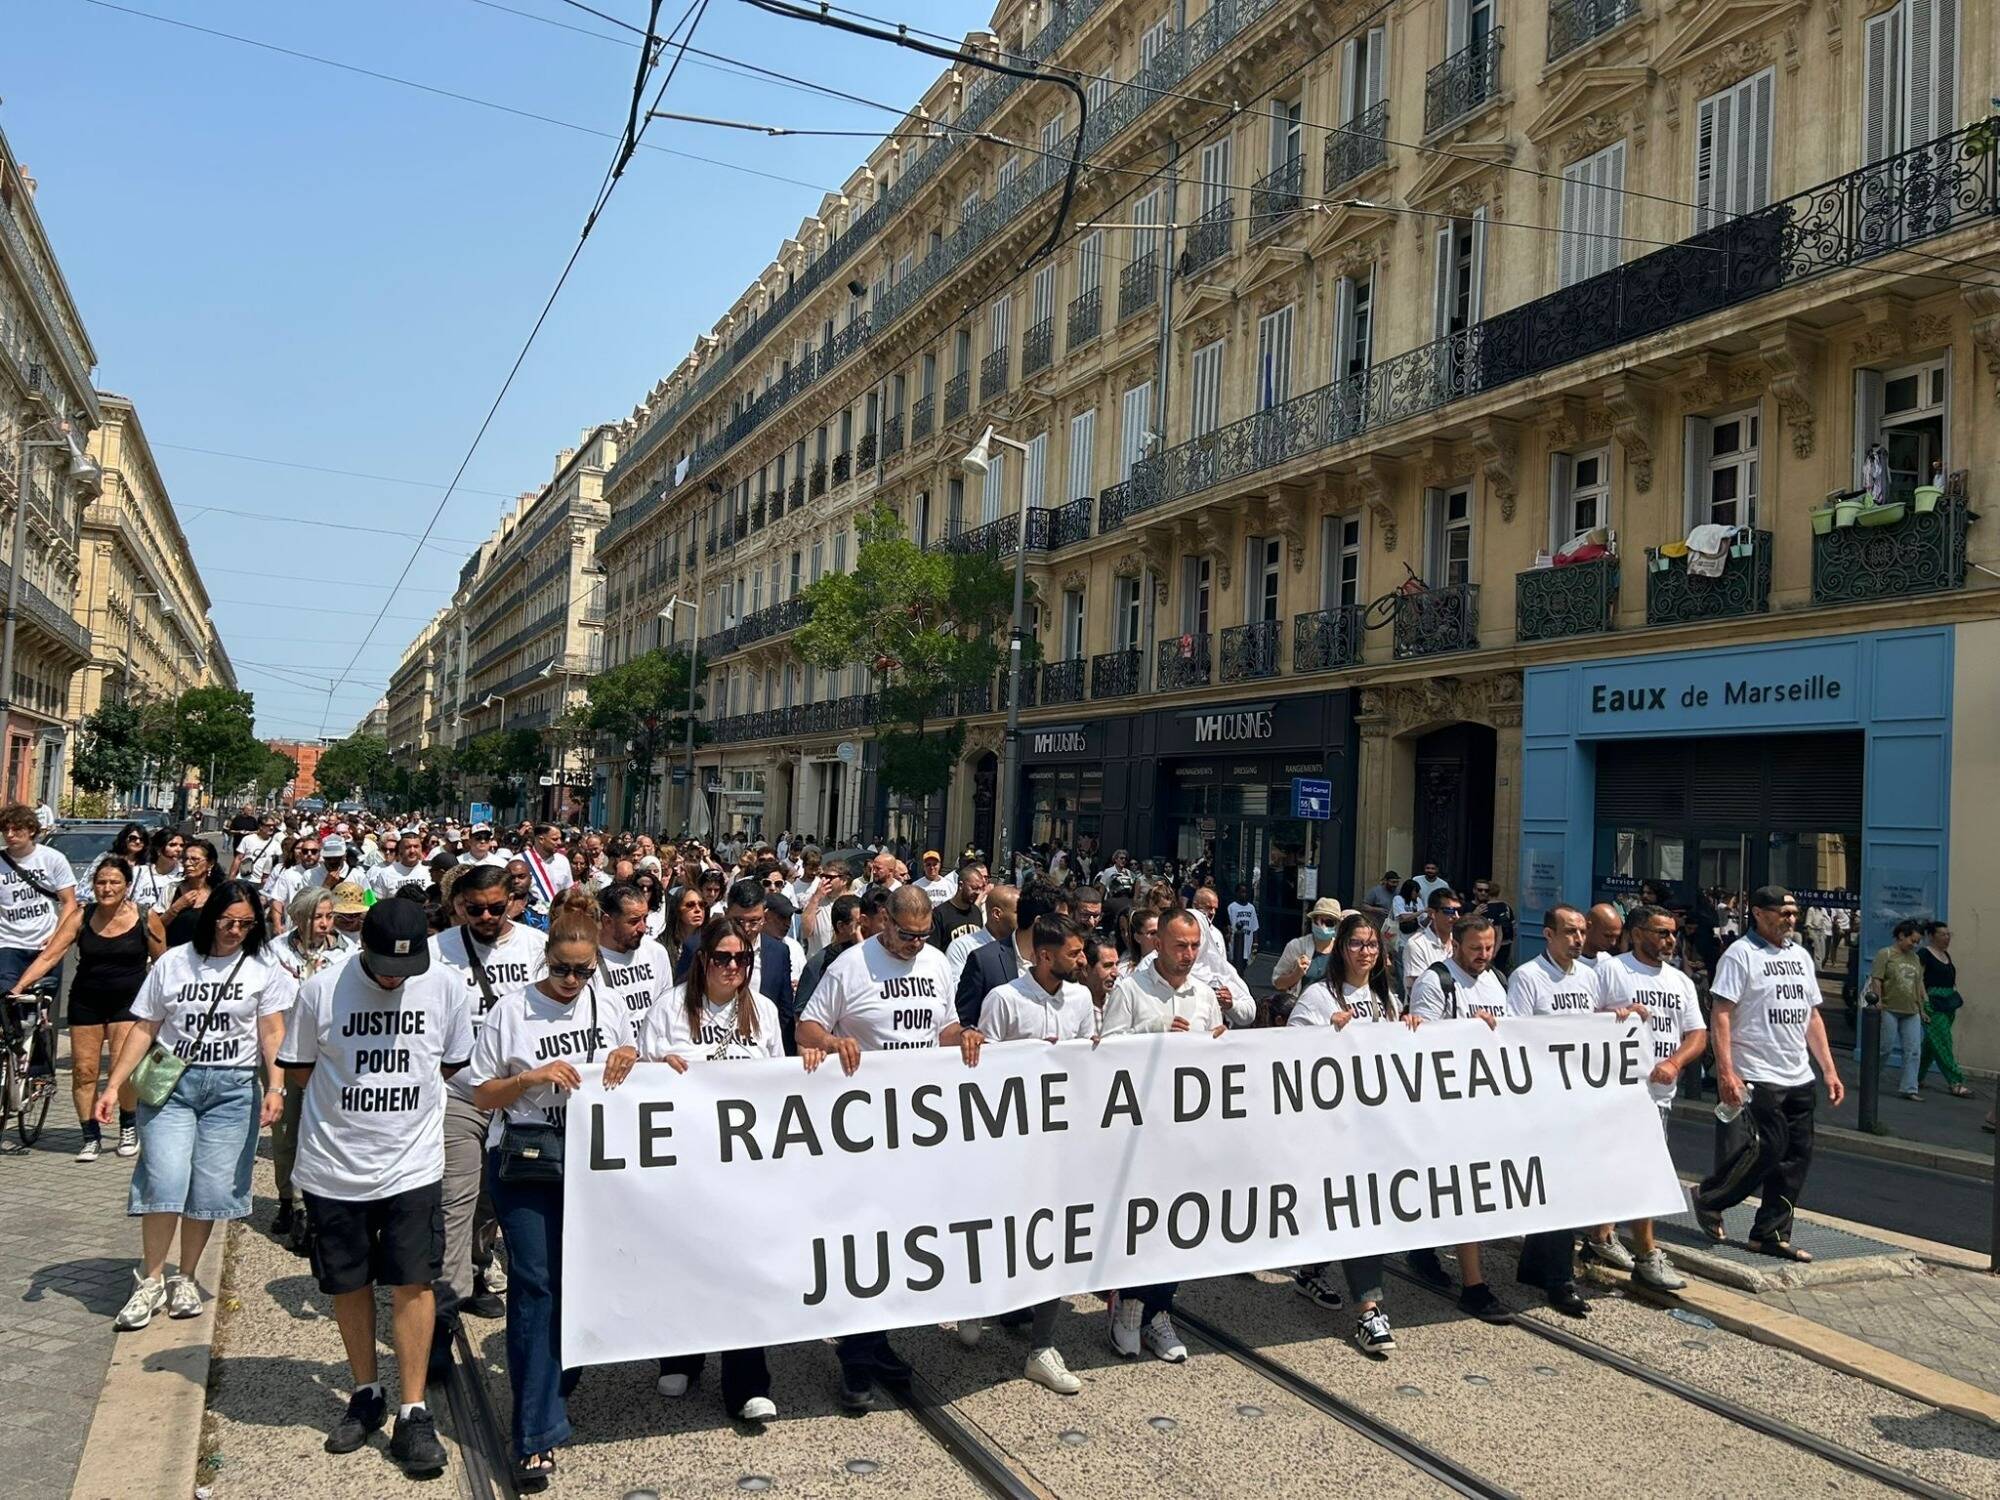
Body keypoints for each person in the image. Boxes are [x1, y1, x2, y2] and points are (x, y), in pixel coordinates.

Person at [279, 900, 470, 1477]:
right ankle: (366, 1391)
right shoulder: (320, 990)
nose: (393, 978)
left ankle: (414, 1410)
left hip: (412, 1164)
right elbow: (300, 1069)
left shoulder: (446, 987)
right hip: (336, 1164)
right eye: (385, 966)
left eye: (404, 969)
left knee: (415, 1280)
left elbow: (450, 1065)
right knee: (349, 1281)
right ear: (360, 944)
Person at [467, 898, 640, 1490]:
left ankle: (551, 1380)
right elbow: (481, 1095)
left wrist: (628, 1054)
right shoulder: (511, 1012)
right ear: (546, 960)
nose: (572, 981)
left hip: (592, 1162)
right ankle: (535, 1434)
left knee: (579, 1282)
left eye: (584, 971)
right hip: (525, 1162)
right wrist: (530, 1078)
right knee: (536, 1284)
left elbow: (634, 1072)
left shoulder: (608, 1005)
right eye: (563, 970)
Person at [796, 884, 981, 1411]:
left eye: (924, 937)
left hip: (918, 1129)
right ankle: (856, 1358)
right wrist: (833, 1042)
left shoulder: (938, 963)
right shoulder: (851, 966)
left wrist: (963, 1035)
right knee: (865, 1242)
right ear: (884, 923)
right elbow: (806, 1028)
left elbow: (943, 1026)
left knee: (901, 1244)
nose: (915, 945)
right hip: (861, 1131)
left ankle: (879, 1344)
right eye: (906, 936)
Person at [100, 880, 298, 1329]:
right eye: (229, 921)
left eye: (246, 924)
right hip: (172, 1082)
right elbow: (146, 1026)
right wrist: (113, 1086)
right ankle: (150, 1280)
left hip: (233, 1086)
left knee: (210, 1188)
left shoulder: (262, 968)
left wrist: (276, 1087)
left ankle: (185, 1275)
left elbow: (272, 1033)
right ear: (212, 917)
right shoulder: (174, 962)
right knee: (164, 1178)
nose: (235, 930)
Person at [639, 916, 782, 1419]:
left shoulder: (762, 1011)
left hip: (744, 1165)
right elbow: (638, 1080)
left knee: (744, 1269)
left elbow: (776, 1084)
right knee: (687, 1261)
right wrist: (655, 1072)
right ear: (702, 960)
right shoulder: (669, 1010)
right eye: (721, 957)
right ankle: (680, 1355)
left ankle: (747, 1381)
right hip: (685, 1164)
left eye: (741, 958)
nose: (731, 967)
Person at [1099, 909, 1233, 1362]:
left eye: (1195, 946)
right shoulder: (1131, 989)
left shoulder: (1203, 994)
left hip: (1185, 1129)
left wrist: (1220, 1041)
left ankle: (1159, 1309)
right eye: (1180, 946)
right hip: (1140, 1128)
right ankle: (1130, 1307)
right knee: (1142, 1222)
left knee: (1179, 1223)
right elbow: (1108, 1050)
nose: (1188, 955)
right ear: (1158, 944)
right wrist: (1153, 1029)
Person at [973, 916, 1097, 1393]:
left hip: (1061, 1143)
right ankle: (983, 1302)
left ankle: (1042, 1346)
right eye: (1073, 954)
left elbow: (1088, 1062)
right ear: (1045, 957)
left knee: (1053, 1236)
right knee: (1002, 1230)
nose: (1081, 960)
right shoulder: (1004, 1000)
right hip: (1011, 1145)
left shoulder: (1082, 1000)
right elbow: (983, 1069)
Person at [1287, 912, 1420, 1354]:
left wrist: (1412, 1030)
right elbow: (1286, 1056)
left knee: (1350, 1210)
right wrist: (1327, 1036)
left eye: (1372, 945)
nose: (1366, 952)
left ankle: (1309, 1269)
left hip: (1376, 1129)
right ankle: (1369, 1310)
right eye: (1357, 944)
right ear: (1341, 949)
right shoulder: (1318, 997)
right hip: (1335, 1130)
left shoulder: (1388, 1000)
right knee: (1360, 1212)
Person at [1693, 887, 1845, 1261]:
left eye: (1794, 913)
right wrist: (1727, 1072)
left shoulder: (1801, 957)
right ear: (1758, 913)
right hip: (1756, 1073)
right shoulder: (1741, 955)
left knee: (1796, 1156)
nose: (1791, 920)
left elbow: (1811, 1016)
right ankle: (1709, 1196)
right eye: (1783, 913)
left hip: (1797, 1073)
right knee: (1767, 1147)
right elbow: (1722, 1014)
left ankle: (1771, 1233)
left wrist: (1828, 1069)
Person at [430, 864, 547, 1341]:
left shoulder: (535, 949)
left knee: (490, 1199)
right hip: (461, 1094)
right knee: (455, 1197)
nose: (486, 917)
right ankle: (444, 1305)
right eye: (474, 909)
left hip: (519, 1097)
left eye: (496, 908)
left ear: (511, 902)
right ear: (458, 906)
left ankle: (479, 1270)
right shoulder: (437, 953)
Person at [11, 856, 164, 1161]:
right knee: (84, 1071)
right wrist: (19, 986)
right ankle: (89, 1135)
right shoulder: (81, 917)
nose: (106, 888)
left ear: (128, 886)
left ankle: (127, 1126)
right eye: (101, 882)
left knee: (123, 1067)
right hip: (86, 1000)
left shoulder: (147, 917)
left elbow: (164, 964)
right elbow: (49, 955)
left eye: (114, 882)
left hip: (129, 1002)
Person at [1589, 904, 1704, 1290]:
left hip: (1659, 1094)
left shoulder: (1680, 981)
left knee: (1634, 1172)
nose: (1669, 940)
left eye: (1672, 933)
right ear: (1637, 934)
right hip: (1618, 1092)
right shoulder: (1612, 970)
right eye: (1660, 932)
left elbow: (1696, 1034)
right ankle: (1646, 1254)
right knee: (1641, 1174)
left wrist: (1674, 1062)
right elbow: (1585, 1020)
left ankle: (1601, 1236)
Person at [1406, 915, 1509, 1320]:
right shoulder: (1437, 981)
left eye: (1489, 948)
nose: (1483, 956)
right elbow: (1423, 1046)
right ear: (1455, 946)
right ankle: (1474, 1286)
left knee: (1460, 1191)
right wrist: (1470, 1031)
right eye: (1475, 949)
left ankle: (1422, 1247)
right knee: (1468, 1193)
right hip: (1449, 1109)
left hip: (1486, 1104)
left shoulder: (1496, 980)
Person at [1504, 905, 1603, 1318]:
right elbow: (1516, 1037)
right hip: (1545, 1101)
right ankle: (1560, 1278)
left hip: (1581, 1099)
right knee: (1558, 1187)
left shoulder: (1591, 977)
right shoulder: (1528, 978)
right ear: (1548, 935)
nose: (1578, 939)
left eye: (1582, 932)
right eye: (1569, 932)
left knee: (1571, 1187)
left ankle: (1536, 1266)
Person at [269, 885, 353, 1247]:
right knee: (286, 1130)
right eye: (316, 917)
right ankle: (287, 1198)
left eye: (328, 917)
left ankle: (313, 1205)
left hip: (329, 1053)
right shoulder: (275, 952)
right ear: (298, 919)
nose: (323, 924)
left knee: (320, 1127)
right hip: (286, 1049)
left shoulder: (347, 952)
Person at [955, 881, 1061, 1026]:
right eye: (1060, 923)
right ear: (1039, 923)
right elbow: (965, 1025)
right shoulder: (984, 961)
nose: (1066, 930)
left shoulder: (1062, 962)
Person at [0, 802, 80, 993]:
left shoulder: (52, 859)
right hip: (8, 943)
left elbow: (69, 902)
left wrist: (57, 936)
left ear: (31, 830)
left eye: (17, 829)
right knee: (8, 999)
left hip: (45, 943)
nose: (10, 835)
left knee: (42, 1000)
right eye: (5, 830)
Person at [1863, 919, 1928, 1101]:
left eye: (1917, 942)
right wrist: (1878, 1002)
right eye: (1912, 940)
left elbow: (1918, 983)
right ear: (1901, 936)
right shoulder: (1886, 954)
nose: (1914, 945)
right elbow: (1877, 978)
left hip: (1911, 1010)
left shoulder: (1915, 958)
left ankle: (1909, 1088)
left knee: (1914, 1050)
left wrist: (1921, 1009)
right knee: (1885, 1047)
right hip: (1890, 1007)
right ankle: (1870, 1078)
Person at [597, 882, 674, 1029]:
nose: (643, 928)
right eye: (633, 922)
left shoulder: (656, 953)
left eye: (644, 918)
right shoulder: (586, 961)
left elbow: (665, 1008)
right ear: (607, 922)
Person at [1916, 922, 1974, 1098]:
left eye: (1949, 934)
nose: (1947, 938)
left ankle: (1916, 1076)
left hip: (1948, 1002)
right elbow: (1918, 979)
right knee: (1943, 1041)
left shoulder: (1945, 955)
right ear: (1932, 936)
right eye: (1942, 934)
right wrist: (1924, 1002)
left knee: (1931, 1043)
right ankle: (1955, 1081)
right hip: (1933, 1001)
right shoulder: (1924, 954)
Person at [1271, 897, 1346, 1017]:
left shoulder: (1343, 951)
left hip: (1332, 1014)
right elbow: (1277, 982)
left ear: (1336, 925)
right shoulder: (1296, 946)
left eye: (1329, 922)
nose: (1322, 926)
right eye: (1318, 920)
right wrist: (1296, 974)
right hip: (1301, 1013)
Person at [944, 883, 1012, 999]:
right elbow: (955, 992)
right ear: (996, 914)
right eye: (1017, 912)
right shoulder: (961, 947)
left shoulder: (1021, 948)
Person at [796, 894, 862, 1012]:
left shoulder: (870, 957)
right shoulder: (817, 964)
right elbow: (801, 1014)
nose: (862, 929)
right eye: (858, 924)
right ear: (841, 926)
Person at [1399, 887, 1460, 991]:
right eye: (1449, 911)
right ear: (1432, 913)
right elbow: (1415, 989)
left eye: (1458, 911)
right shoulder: (1417, 945)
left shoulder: (1460, 942)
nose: (1456, 916)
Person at [928, 860, 987, 951]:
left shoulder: (976, 911)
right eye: (974, 888)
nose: (978, 892)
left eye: (980, 888)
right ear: (961, 885)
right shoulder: (939, 914)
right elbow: (933, 950)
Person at [132, 828, 185, 917]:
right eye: (172, 845)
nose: (179, 849)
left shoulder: (183, 875)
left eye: (181, 845)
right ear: (158, 849)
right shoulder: (138, 872)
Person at [372, 834, 430, 901]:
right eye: (407, 847)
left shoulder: (429, 870)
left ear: (421, 848)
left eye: (416, 847)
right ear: (400, 850)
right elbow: (378, 902)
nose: (412, 851)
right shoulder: (386, 873)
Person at [232, 812, 285, 883]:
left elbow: (279, 864)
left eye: (273, 825)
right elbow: (238, 858)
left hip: (261, 882)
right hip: (243, 879)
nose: (272, 828)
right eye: (268, 825)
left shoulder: (275, 844)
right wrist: (232, 876)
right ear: (260, 826)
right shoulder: (248, 839)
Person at [1225, 883, 1259, 966]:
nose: (1244, 894)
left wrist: (1255, 944)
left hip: (1247, 943)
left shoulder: (1251, 908)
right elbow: (1227, 925)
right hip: (1234, 942)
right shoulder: (1231, 907)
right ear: (1237, 893)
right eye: (1242, 892)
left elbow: (1255, 927)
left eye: (1246, 892)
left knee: (1243, 966)